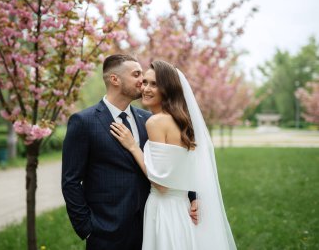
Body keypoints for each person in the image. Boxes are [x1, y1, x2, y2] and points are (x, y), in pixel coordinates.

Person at [62, 54, 197, 250]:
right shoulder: (84, 122)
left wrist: (193, 197)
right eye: (136, 74)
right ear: (115, 79)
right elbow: (71, 181)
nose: (142, 80)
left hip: (150, 225)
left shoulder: (148, 119)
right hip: (106, 232)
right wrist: (87, 227)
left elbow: (171, 162)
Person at [110, 60, 237, 249]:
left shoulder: (156, 123)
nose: (146, 88)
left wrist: (133, 146)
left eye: (154, 84)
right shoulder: (183, 123)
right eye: (145, 82)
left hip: (164, 209)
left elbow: (161, 184)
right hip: (182, 207)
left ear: (167, 89)